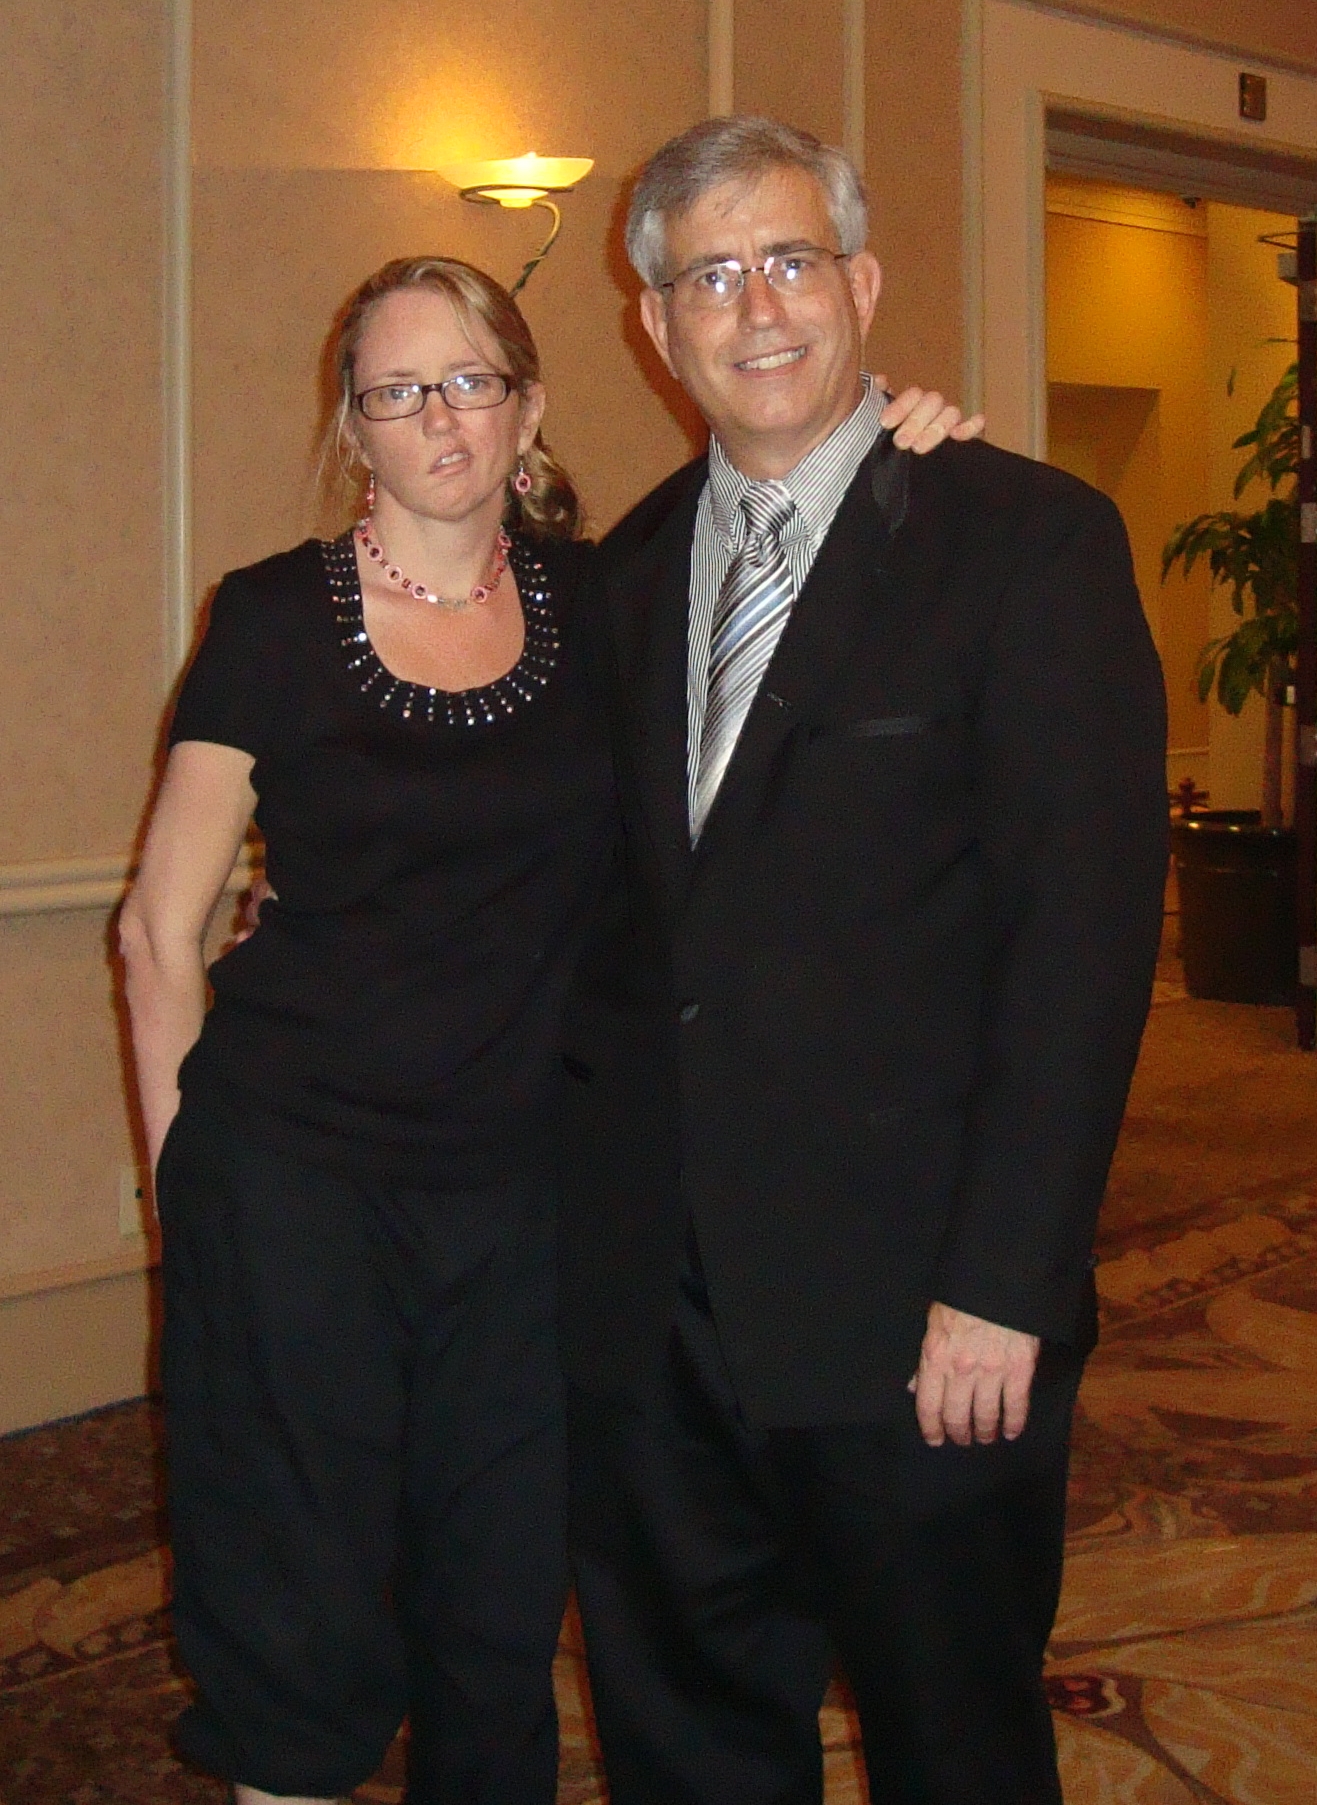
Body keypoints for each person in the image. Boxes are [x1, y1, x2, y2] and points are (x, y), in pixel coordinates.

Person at [119, 248, 976, 1804]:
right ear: (352, 424)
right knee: (299, 1586)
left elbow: (788, 555)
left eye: (470, 380)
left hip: (527, 1198)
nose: (437, 417)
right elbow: (155, 930)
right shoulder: (267, 616)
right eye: (396, 391)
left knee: (499, 1589)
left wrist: (895, 439)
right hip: (296, 1176)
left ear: (530, 406)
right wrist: (192, 1192)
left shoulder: (611, 600)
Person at [557, 116, 1169, 1804]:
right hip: (655, 1325)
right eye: (707, 279)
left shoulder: (1023, 540)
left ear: (861, 283)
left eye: (788, 262)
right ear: (654, 327)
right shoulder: (619, 578)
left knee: (953, 1743)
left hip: (917, 1318)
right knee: (682, 1742)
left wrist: (1003, 1281)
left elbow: (1084, 942)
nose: (754, 310)